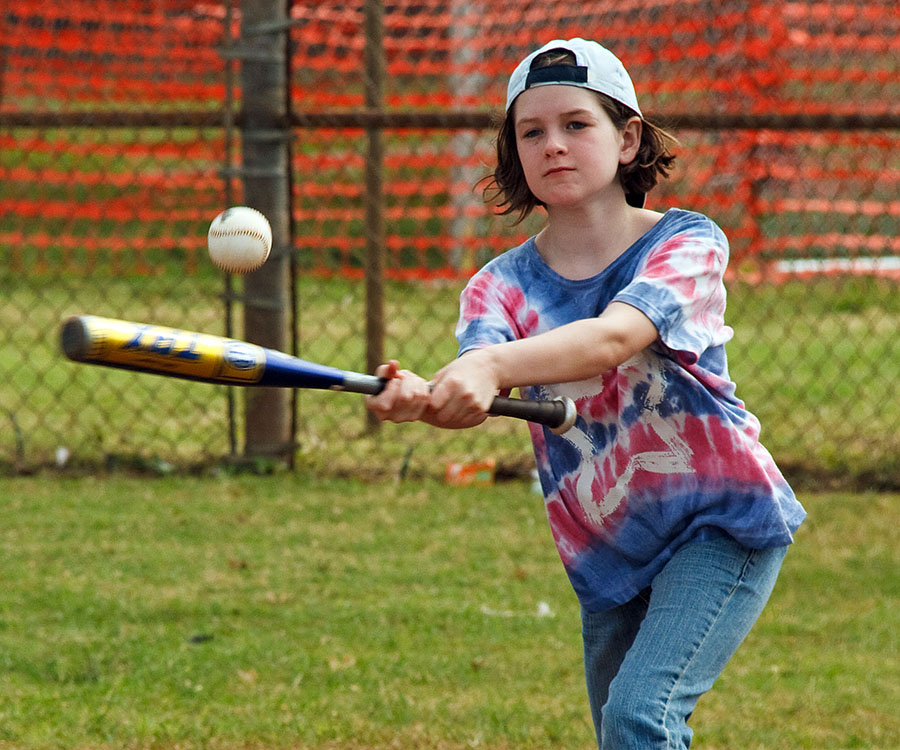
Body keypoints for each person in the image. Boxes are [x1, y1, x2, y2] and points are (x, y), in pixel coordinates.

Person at [367, 38, 806, 750]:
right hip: (604, 540)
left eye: (577, 124)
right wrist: (426, 399)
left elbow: (610, 340)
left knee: (641, 718)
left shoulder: (686, 242)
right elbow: (482, 372)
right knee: (619, 733)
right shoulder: (497, 287)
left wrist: (486, 369)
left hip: (721, 519)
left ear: (628, 137)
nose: (554, 146)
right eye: (531, 131)